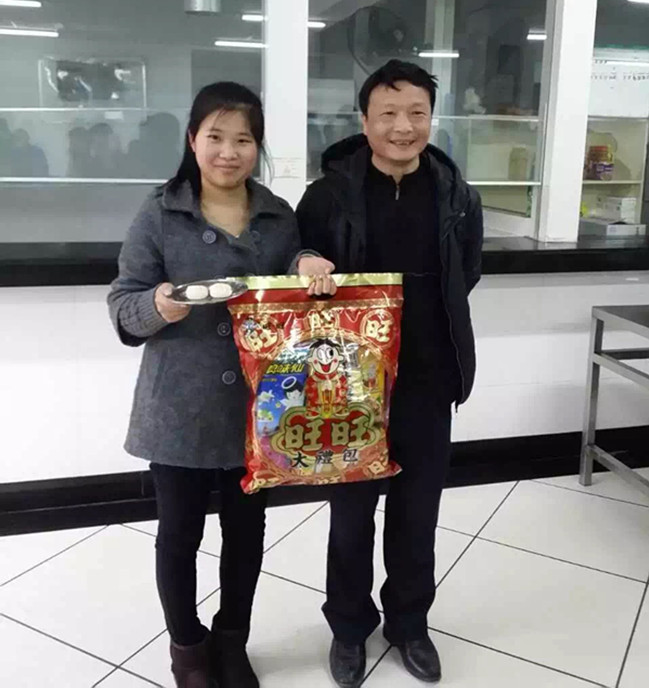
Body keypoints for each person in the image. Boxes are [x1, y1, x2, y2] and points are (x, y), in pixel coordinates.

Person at [108, 81, 334, 688]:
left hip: (258, 407)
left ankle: (232, 640)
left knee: (247, 533)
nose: (229, 152)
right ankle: (187, 649)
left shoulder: (276, 214)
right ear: (193, 139)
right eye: (216, 136)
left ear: (258, 147)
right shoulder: (159, 212)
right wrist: (157, 306)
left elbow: (290, 276)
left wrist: (306, 263)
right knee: (179, 535)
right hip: (179, 405)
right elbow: (124, 306)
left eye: (244, 139)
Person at [296, 59, 484, 686]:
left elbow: (467, 272)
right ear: (365, 120)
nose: (403, 127)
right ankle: (349, 628)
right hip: (349, 384)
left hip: (429, 379)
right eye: (388, 114)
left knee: (417, 513)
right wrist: (306, 262)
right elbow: (299, 265)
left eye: (417, 114)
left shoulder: (458, 195)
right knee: (351, 516)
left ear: (431, 117)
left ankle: (409, 623)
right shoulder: (327, 195)